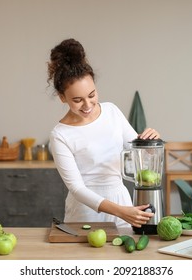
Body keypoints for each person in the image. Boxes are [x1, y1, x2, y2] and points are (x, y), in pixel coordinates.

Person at [47, 38, 161, 228]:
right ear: (62, 97)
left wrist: (150, 143)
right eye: (77, 100)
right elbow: (77, 189)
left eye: (91, 95)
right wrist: (120, 211)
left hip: (123, 204)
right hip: (85, 212)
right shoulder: (60, 135)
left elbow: (137, 154)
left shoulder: (111, 111)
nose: (87, 105)